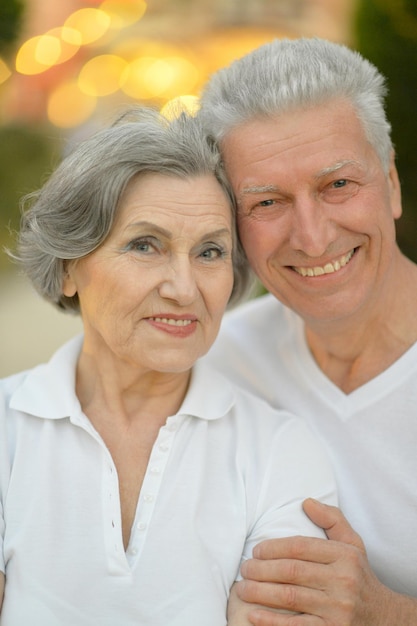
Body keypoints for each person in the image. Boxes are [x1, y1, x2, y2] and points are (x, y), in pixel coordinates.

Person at [0, 107, 337, 625]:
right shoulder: (7, 431)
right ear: (70, 266)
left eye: (209, 252)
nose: (184, 289)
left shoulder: (278, 451)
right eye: (145, 245)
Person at [199, 37, 417, 624]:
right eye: (267, 202)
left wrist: (388, 613)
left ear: (391, 184)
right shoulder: (215, 363)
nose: (314, 237)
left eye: (338, 185)